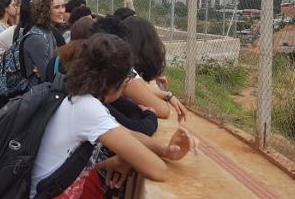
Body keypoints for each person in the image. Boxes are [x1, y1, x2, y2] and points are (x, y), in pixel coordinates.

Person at [30, 34, 196, 198]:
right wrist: (130, 159)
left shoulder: (74, 94)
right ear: (121, 82)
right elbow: (158, 170)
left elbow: (127, 134)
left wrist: (166, 151)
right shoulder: (87, 108)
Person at [122, 16, 188, 122]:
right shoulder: (125, 69)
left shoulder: (118, 60)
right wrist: (167, 95)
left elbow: (137, 91)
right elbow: (163, 110)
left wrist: (166, 95)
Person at [23, 0, 67, 86]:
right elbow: (47, 77)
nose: (62, 11)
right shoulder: (37, 38)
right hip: (34, 94)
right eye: (56, 7)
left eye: (63, 6)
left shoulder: (48, 31)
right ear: (44, 10)